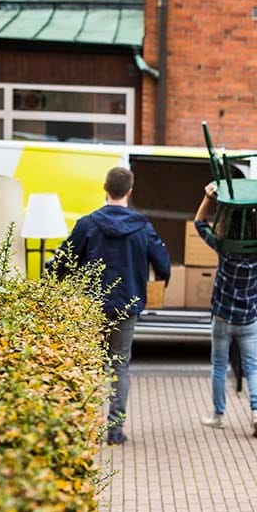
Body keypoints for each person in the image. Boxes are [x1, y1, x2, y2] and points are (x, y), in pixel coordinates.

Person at [55, 166, 171, 446]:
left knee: (90, 365)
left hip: (92, 305)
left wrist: (56, 281)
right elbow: (163, 264)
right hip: (127, 305)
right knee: (120, 365)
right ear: (130, 191)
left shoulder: (87, 224)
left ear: (104, 189)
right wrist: (161, 279)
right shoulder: (142, 226)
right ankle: (115, 431)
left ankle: (83, 429)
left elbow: (64, 261)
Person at [195, 182, 257, 438]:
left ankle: (218, 415)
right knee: (252, 366)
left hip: (222, 316)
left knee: (219, 365)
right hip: (249, 317)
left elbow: (199, 223)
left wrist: (208, 198)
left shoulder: (224, 245)